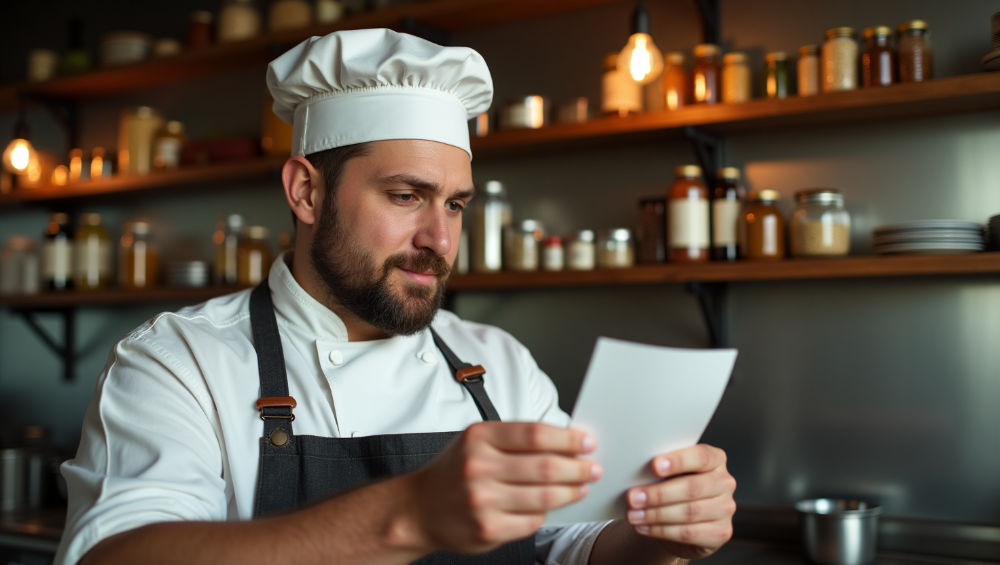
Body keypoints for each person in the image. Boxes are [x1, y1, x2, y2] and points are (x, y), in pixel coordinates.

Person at [55, 29, 736, 565]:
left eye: (457, 204)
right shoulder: (181, 360)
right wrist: (410, 513)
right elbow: (117, 554)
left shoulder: (495, 361)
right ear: (306, 192)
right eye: (406, 196)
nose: (439, 238)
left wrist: (660, 535)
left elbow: (572, 544)